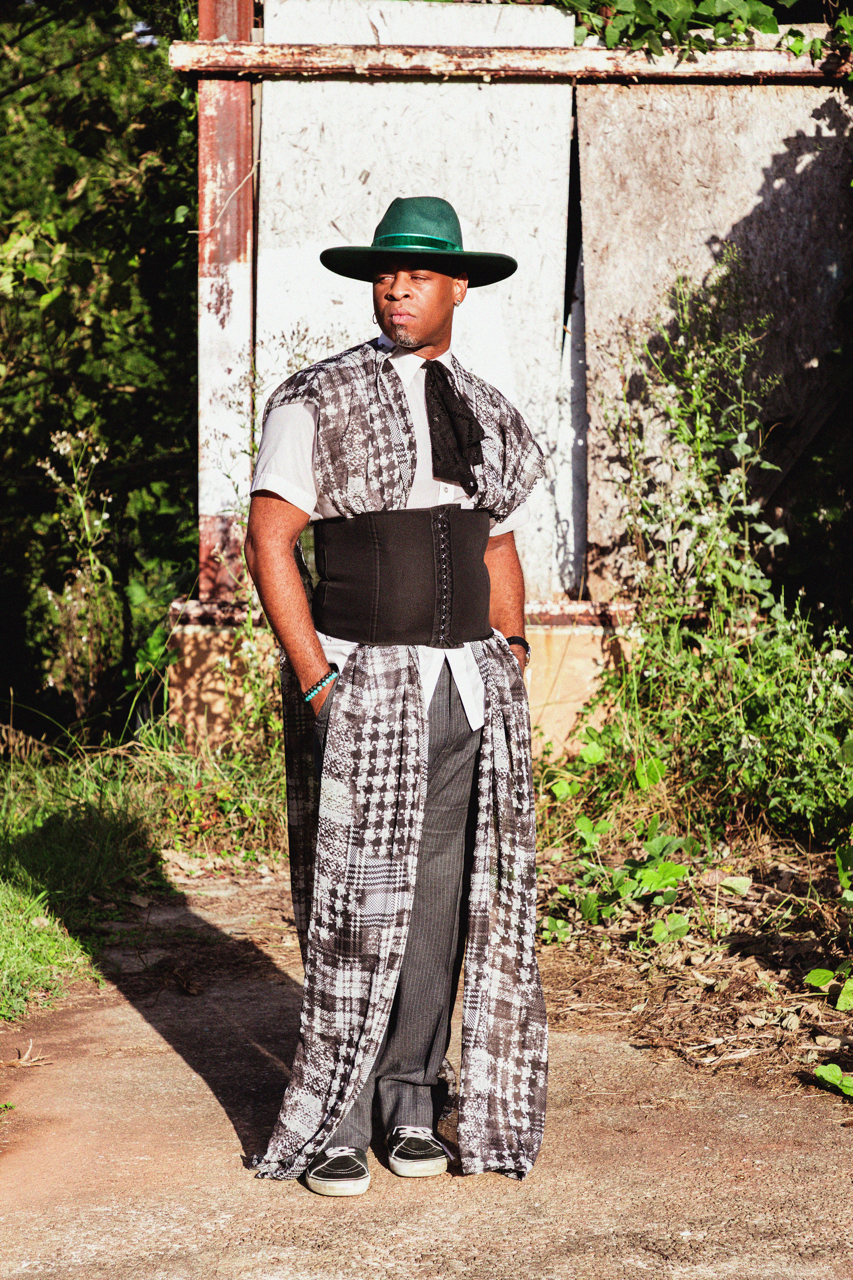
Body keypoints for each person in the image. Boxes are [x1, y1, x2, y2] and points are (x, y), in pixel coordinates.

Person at [245, 196, 548, 1197]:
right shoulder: (315, 397)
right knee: (350, 904)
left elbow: (497, 541)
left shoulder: (486, 407)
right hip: (364, 679)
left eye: (418, 273)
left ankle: (412, 1099)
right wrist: (316, 676)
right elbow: (271, 537)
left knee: (441, 900)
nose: (397, 286)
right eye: (384, 271)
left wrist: (509, 648)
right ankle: (333, 1117)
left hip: (466, 687)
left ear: (459, 286)